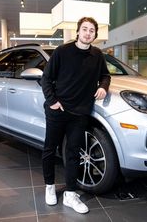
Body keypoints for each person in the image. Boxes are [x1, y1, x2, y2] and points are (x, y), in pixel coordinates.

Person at [41, 17, 111, 214]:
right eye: (84, 29)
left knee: (73, 153)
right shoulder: (62, 51)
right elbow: (46, 78)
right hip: (57, 110)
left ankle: (70, 194)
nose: (88, 33)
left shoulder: (97, 55)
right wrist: (52, 101)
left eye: (91, 30)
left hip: (80, 113)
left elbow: (105, 75)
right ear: (77, 32)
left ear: (95, 35)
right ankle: (49, 186)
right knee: (49, 149)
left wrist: (103, 87)